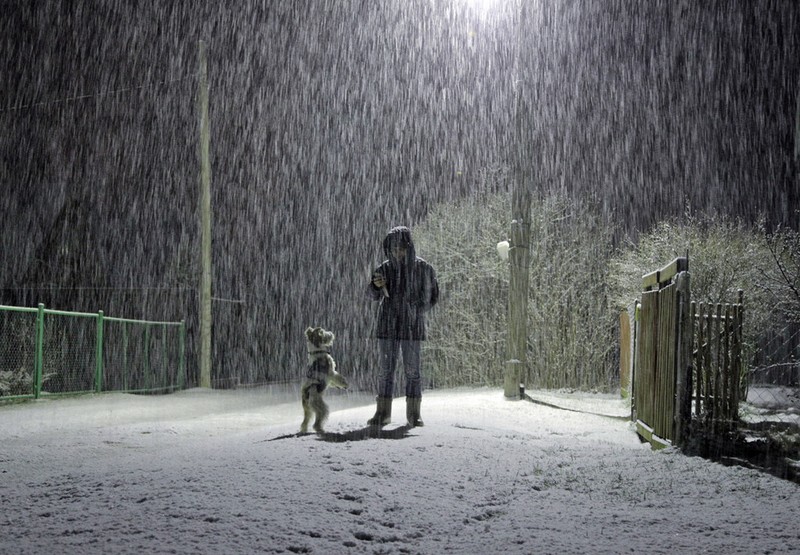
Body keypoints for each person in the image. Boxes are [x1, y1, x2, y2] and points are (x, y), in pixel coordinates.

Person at [366, 226, 439, 427]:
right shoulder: (384, 269)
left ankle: (414, 415)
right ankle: (383, 413)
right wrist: (375, 286)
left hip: (411, 329)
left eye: (400, 248)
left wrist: (415, 309)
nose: (397, 252)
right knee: (385, 372)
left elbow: (433, 296)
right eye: (393, 248)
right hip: (387, 328)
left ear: (408, 247)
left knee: (412, 371)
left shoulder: (424, 269)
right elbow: (372, 295)